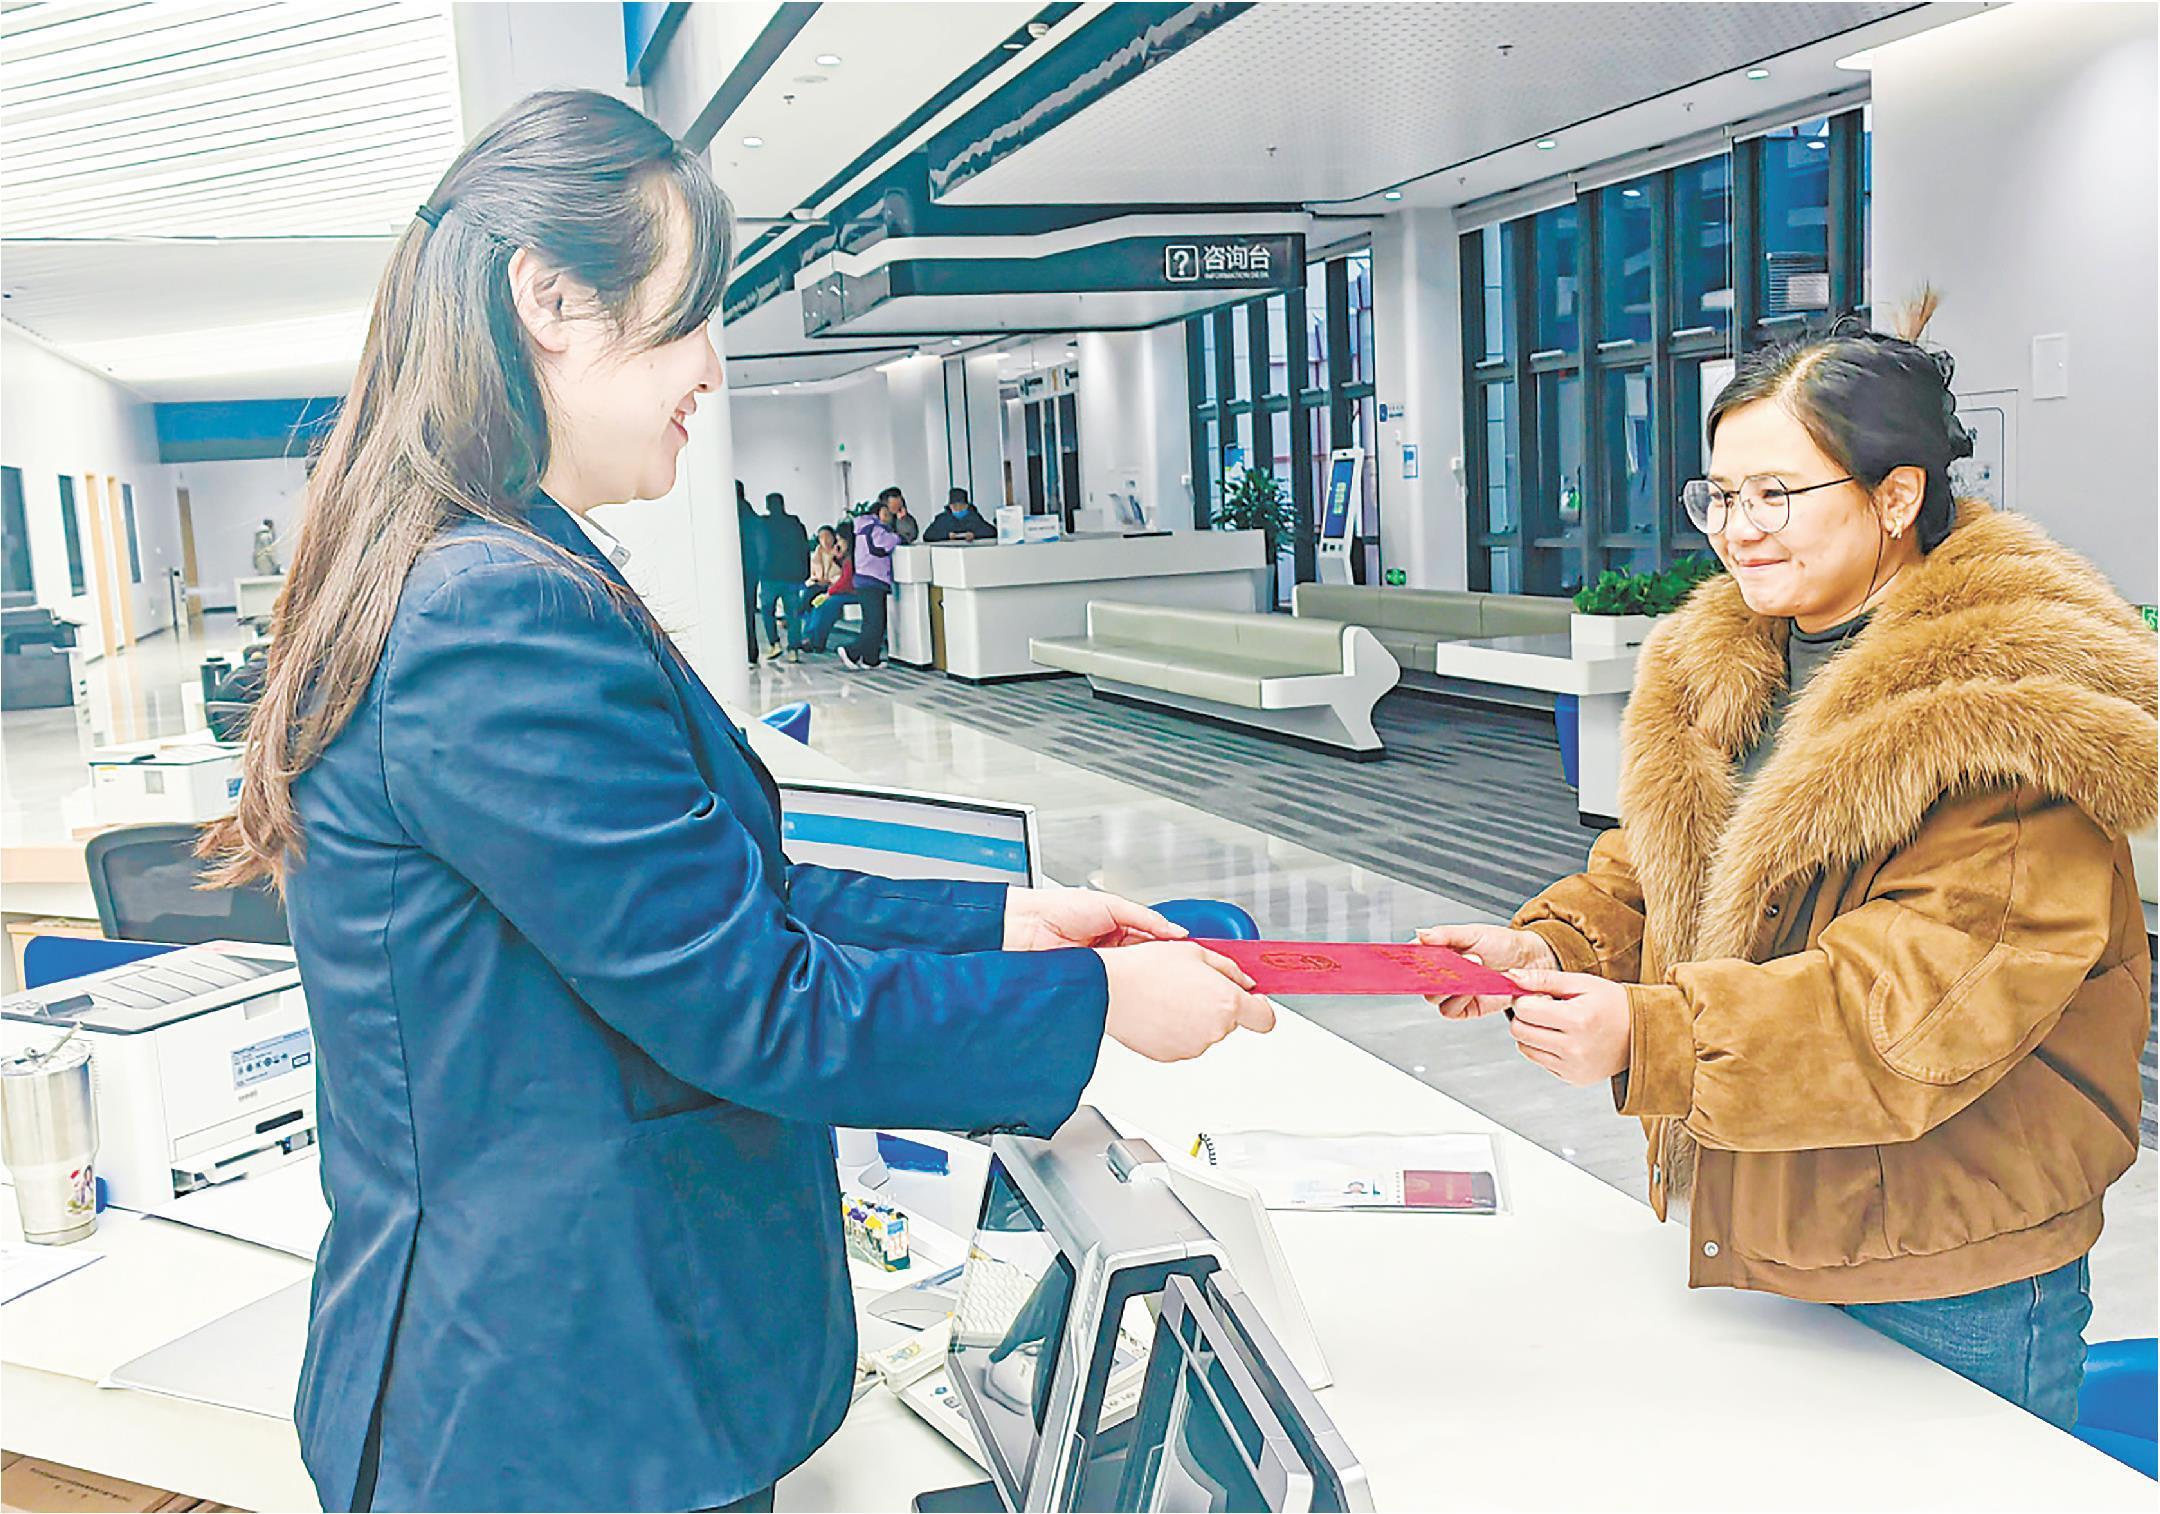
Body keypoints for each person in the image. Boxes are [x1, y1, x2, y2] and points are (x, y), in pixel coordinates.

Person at [198, 90, 1275, 1514]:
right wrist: (1097, 1010)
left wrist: (1010, 924)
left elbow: (700, 901)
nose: (714, 362)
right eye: (693, 310)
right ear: (551, 299)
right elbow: (752, 1003)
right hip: (555, 1410)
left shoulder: (484, 563)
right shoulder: (493, 610)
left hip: (564, 1380)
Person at [1417, 307, 2155, 1430]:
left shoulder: (2011, 716)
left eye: (1777, 494)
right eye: (1719, 495)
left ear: (1896, 497)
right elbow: (1662, 865)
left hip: (1945, 1267)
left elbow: (1912, 1008)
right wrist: (1552, 945)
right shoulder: (1738, 660)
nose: (1739, 529)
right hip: (1769, 1209)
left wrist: (1652, 1034)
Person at [838, 488, 903, 670]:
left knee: (871, 621)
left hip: (864, 579)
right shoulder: (875, 529)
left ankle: (870, 659)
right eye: (886, 513)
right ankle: (851, 651)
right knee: (876, 623)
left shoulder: (861, 528)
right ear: (879, 513)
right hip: (873, 580)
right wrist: (897, 537)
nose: (889, 516)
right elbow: (886, 544)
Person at [757, 490, 811, 659]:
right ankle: (793, 650)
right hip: (791, 576)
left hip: (769, 575)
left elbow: (758, 549)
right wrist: (805, 572)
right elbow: (804, 549)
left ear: (768, 506)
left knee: (767, 611)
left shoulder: (763, 524)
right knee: (793, 614)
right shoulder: (795, 524)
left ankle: (775, 644)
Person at [735, 478, 765, 663]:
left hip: (735, 570)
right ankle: (751, 652)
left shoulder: (729, 512)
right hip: (751, 570)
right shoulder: (753, 515)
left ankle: (741, 652)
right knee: (748, 613)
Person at [922, 486, 996, 543]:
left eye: (962, 506)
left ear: (967, 506)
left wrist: (975, 535)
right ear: (950, 506)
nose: (958, 509)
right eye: (955, 506)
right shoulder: (942, 519)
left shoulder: (974, 518)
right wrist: (947, 536)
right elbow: (928, 536)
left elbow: (992, 532)